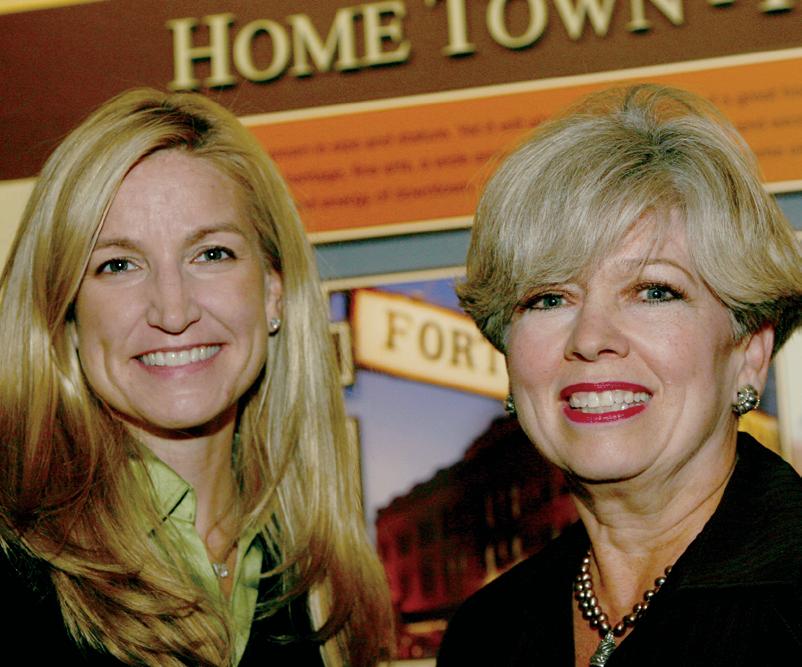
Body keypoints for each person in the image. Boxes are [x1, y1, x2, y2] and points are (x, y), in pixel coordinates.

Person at [0, 89, 392, 666]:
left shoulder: (321, 583)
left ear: (273, 290)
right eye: (118, 264)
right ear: (66, 314)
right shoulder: (15, 569)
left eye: (211, 254)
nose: (173, 309)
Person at [437, 84, 802, 666]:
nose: (589, 338)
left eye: (654, 291)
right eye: (548, 299)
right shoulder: (486, 634)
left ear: (750, 351)